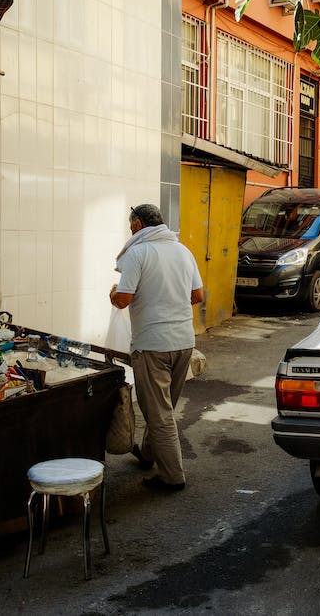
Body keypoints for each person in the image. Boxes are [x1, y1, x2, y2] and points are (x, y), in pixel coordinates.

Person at [110, 204, 204, 493]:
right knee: (163, 407)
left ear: (138, 225)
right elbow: (198, 295)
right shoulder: (183, 251)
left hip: (153, 345)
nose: (130, 231)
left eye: (130, 226)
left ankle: (172, 476)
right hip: (184, 342)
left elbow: (124, 299)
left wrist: (113, 293)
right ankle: (149, 454)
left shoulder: (138, 253)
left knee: (159, 413)